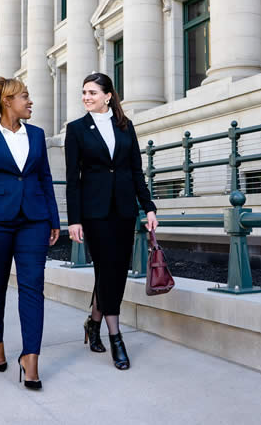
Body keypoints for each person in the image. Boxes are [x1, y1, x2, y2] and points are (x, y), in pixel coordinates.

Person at [0, 76, 60, 390]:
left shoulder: (36, 134)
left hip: (34, 220)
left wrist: (54, 219)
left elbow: (45, 178)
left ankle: (31, 358)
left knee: (33, 287)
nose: (30, 101)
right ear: (7, 101)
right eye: (24, 96)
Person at [65, 72, 158, 370]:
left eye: (92, 92)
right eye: (84, 93)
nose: (86, 98)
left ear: (108, 95)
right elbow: (72, 180)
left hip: (124, 209)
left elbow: (135, 171)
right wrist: (74, 220)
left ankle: (93, 322)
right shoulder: (77, 129)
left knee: (115, 269)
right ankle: (115, 335)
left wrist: (149, 207)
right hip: (94, 212)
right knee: (108, 269)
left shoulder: (125, 126)